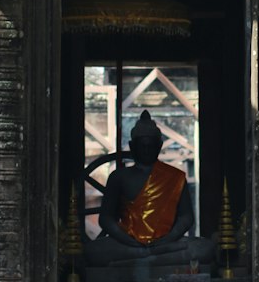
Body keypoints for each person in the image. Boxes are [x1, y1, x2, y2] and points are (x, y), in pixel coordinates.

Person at [88, 110, 214, 268]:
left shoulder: (175, 177)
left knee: (205, 248)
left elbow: (186, 217)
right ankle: (148, 256)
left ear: (159, 146)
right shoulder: (119, 177)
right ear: (133, 147)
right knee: (91, 252)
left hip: (166, 243)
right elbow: (106, 219)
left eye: (151, 146)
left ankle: (142, 257)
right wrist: (128, 240)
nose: (146, 150)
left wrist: (168, 239)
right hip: (128, 244)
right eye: (142, 146)